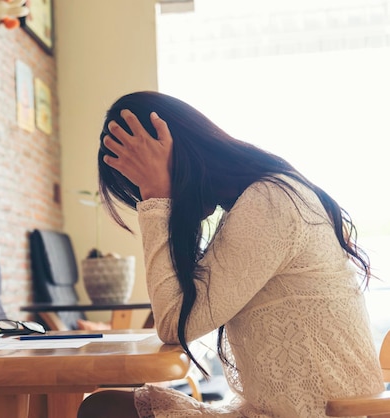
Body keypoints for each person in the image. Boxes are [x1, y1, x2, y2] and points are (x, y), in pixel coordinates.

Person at [77, 91, 384, 418]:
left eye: (141, 182)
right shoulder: (262, 198)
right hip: (280, 412)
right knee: (103, 407)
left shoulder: (269, 202)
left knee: (103, 410)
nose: (143, 193)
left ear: (176, 154)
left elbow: (172, 324)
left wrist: (156, 197)